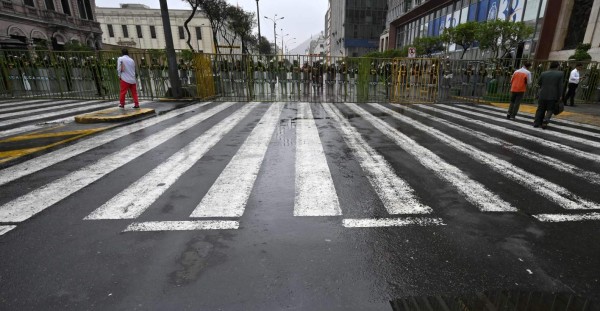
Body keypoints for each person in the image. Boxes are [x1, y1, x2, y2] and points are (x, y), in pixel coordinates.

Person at [534, 61, 563, 129]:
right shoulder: (560, 74)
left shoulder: (543, 73)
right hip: (553, 95)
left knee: (540, 109)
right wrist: (560, 95)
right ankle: (545, 121)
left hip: (542, 94)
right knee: (550, 109)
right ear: (557, 66)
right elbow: (560, 86)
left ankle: (536, 123)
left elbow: (539, 83)